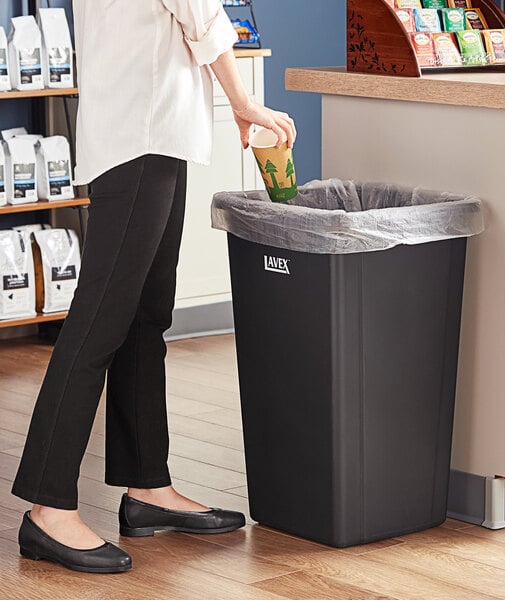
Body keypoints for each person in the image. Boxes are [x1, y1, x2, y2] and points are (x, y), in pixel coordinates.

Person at [11, 0, 296, 574]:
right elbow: (200, 14)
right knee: (99, 323)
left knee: (145, 317)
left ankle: (146, 488)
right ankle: (47, 507)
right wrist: (244, 103)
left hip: (154, 130)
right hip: (139, 134)